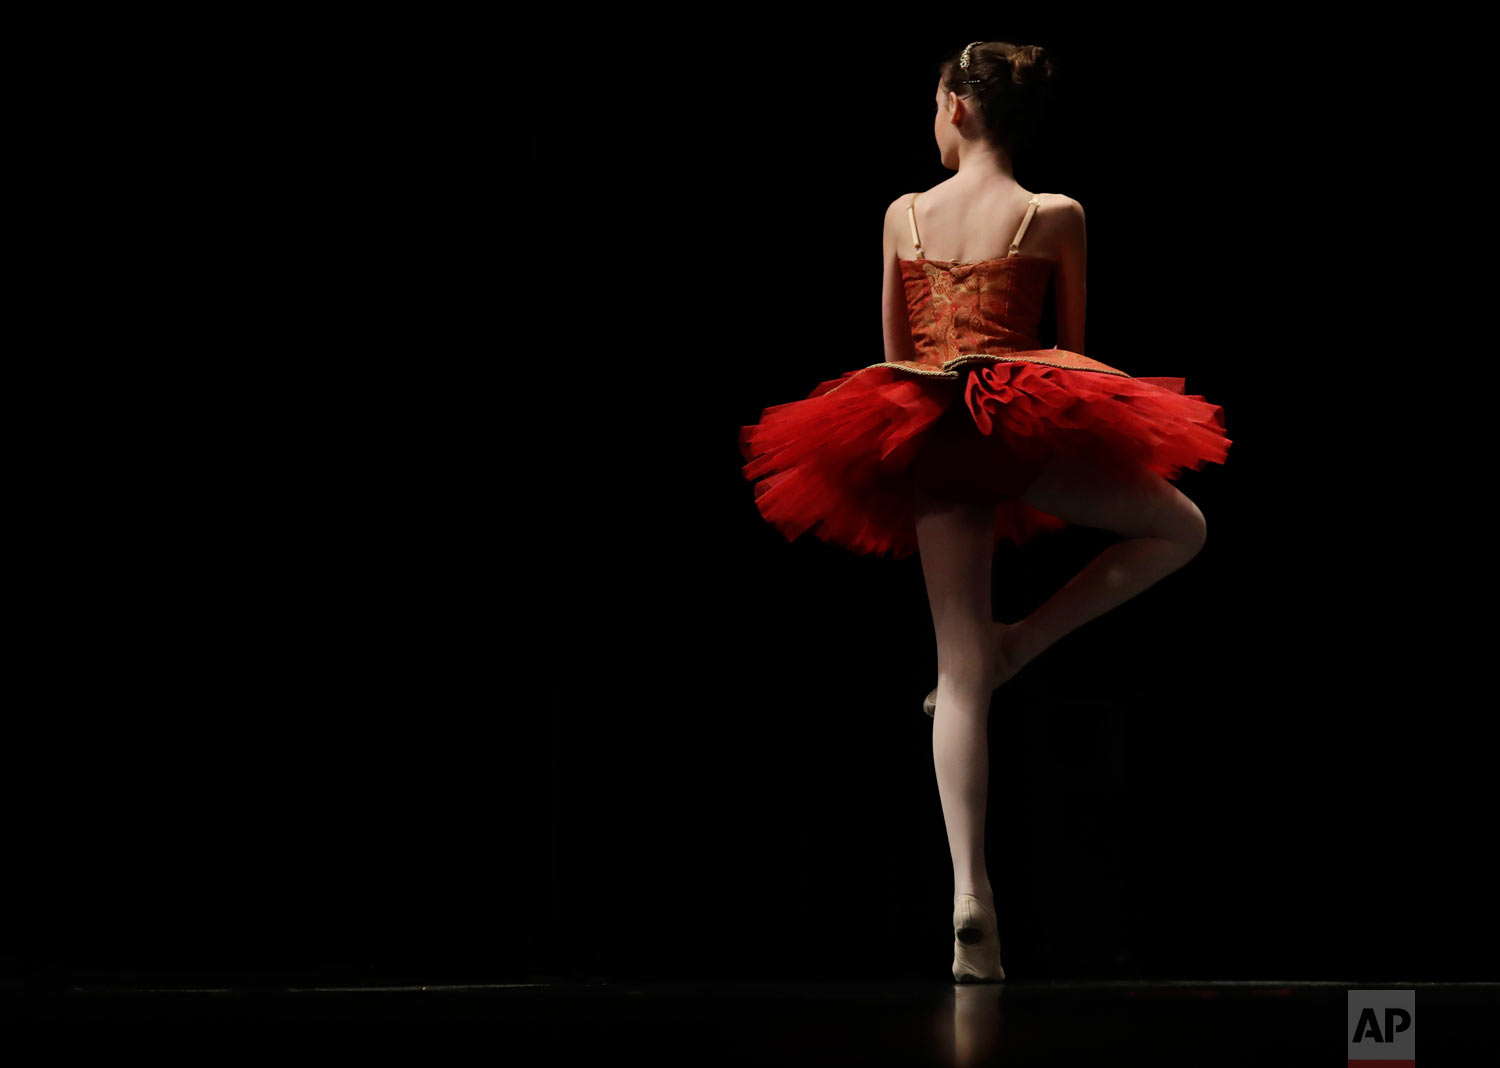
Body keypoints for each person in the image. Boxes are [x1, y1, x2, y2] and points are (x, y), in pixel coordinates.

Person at [737, 41, 1231, 983]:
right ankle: (1026, 642)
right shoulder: (1055, 214)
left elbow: (892, 359)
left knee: (954, 676)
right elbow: (1072, 351)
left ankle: (972, 896)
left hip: (925, 430)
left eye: (931, 103)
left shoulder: (903, 214)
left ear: (958, 109)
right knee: (1183, 527)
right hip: (1025, 419)